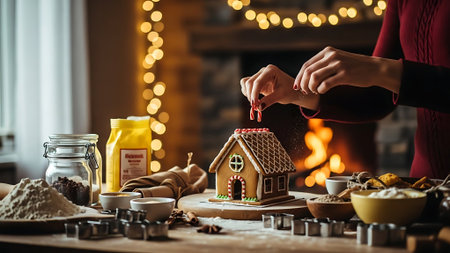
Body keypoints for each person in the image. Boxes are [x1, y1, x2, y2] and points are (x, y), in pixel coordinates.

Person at [240, 0, 450, 179]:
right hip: (427, 187)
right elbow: (377, 97)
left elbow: (383, 74)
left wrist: (382, 69)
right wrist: (296, 92)